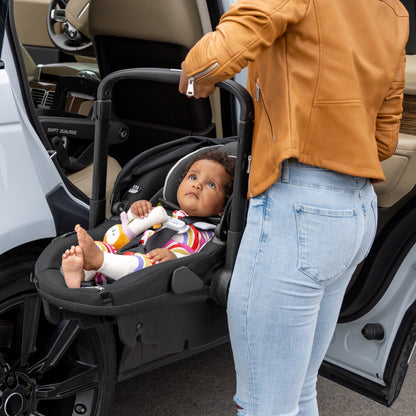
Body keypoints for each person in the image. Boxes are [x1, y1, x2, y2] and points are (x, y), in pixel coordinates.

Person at [178, 1, 409, 415]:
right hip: (355, 209)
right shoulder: (392, 10)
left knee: (265, 406)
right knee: (298, 392)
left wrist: (193, 76)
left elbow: (209, 62)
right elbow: (385, 139)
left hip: (297, 210)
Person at [61, 150, 235, 288]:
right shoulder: (165, 213)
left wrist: (173, 257)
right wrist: (135, 214)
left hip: (151, 274)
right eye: (193, 177)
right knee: (102, 246)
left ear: (223, 207)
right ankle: (81, 274)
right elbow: (128, 232)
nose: (197, 184)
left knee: (149, 263)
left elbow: (197, 261)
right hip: (126, 257)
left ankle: (98, 261)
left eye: (211, 184)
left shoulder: (208, 233)